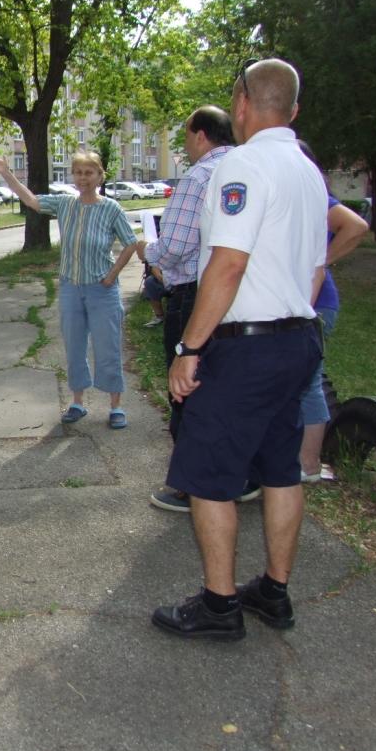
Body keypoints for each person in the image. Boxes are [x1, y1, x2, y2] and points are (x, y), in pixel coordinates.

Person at [151, 58, 327, 641]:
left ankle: (219, 606)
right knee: (280, 469)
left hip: (247, 350)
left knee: (207, 476)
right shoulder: (308, 171)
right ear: (293, 110)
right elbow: (317, 267)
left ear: (242, 103)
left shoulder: (244, 165)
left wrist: (189, 346)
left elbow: (227, 265)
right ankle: (273, 592)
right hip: (297, 340)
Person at [0, 151, 138, 429]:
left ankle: (115, 406)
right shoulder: (65, 204)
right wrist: (7, 174)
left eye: (89, 172)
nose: (83, 178)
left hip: (102, 289)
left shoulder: (111, 208)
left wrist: (113, 273)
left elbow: (131, 242)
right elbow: (32, 201)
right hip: (71, 288)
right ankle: (77, 402)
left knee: (108, 347)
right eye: (78, 172)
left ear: (100, 176)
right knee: (74, 346)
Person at [136, 106, 235, 511]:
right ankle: (237, 476)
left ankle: (191, 486)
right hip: (241, 300)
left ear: (200, 135)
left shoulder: (197, 177)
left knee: (186, 388)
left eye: (186, 135)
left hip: (195, 295)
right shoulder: (246, 167)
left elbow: (174, 246)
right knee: (228, 389)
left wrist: (148, 250)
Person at [295, 140, 369, 481]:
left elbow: (356, 226)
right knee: (298, 379)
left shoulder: (315, 198)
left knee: (309, 379)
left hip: (316, 303)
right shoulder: (290, 199)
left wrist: (320, 261)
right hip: (299, 301)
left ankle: (309, 464)